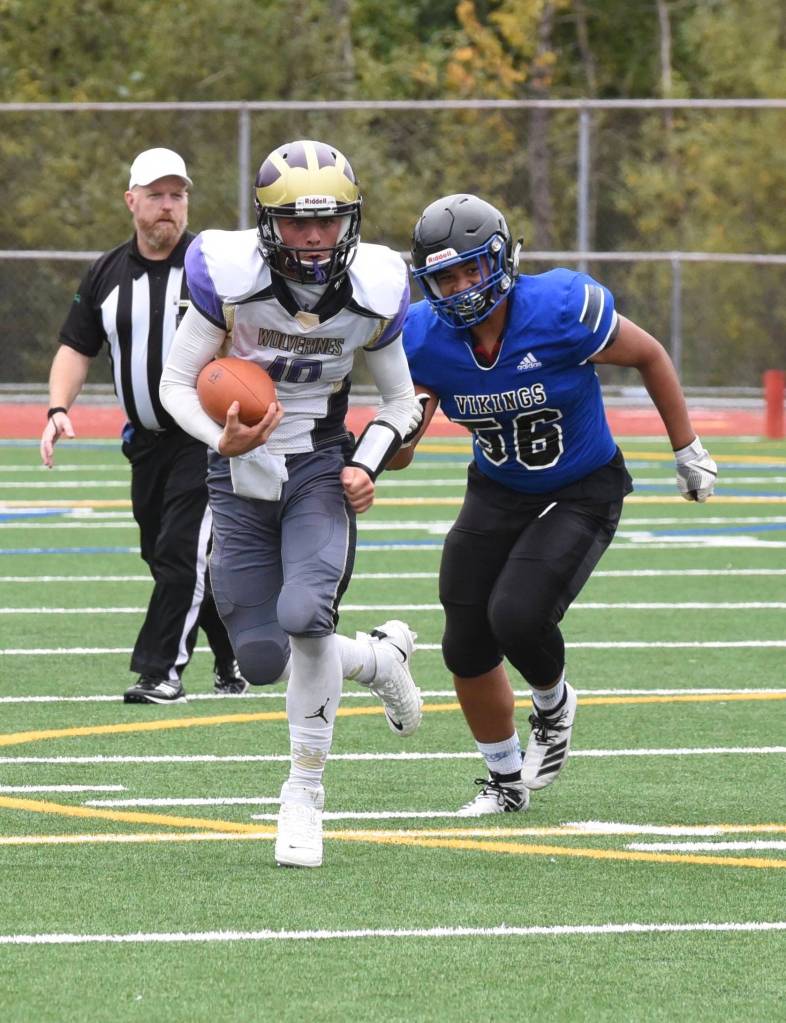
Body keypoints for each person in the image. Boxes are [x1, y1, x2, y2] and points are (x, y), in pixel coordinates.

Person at [391, 193, 718, 816]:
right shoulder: (423, 338)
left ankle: (553, 704)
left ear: (501, 261)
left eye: (470, 270)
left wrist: (688, 447)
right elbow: (405, 449)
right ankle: (504, 779)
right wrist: (389, 440)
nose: (459, 289)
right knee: (464, 638)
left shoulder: (560, 308)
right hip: (499, 486)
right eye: (444, 277)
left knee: (516, 613)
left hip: (583, 485)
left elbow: (648, 353)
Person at [160, 139, 424, 868]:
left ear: (352, 220)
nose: (314, 237)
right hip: (239, 469)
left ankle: (304, 793)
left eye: (329, 221)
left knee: (307, 614)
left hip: (317, 460)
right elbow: (175, 385)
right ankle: (377, 658)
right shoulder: (229, 273)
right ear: (266, 223)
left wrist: (366, 464)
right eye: (298, 222)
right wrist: (226, 435)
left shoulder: (375, 283)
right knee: (261, 657)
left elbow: (401, 402)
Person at [40, 147, 248, 704]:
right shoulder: (106, 272)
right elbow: (75, 346)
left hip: (202, 438)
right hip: (145, 443)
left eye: (177, 195)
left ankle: (161, 672)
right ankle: (230, 655)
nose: (167, 206)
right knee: (164, 556)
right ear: (131, 201)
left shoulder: (210, 269)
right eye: (155, 194)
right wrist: (58, 409)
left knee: (181, 551)